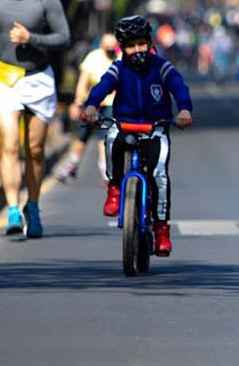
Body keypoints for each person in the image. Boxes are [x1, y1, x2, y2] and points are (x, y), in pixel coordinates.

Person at [0, 0, 71, 237]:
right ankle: (13, 209)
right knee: (9, 143)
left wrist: (32, 38)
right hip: (4, 78)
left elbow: (64, 37)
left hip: (38, 79)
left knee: (35, 149)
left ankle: (33, 205)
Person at [82, 15, 193, 257]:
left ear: (149, 42)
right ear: (122, 47)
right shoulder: (118, 68)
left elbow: (179, 87)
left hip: (156, 129)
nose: (136, 50)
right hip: (125, 127)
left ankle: (162, 230)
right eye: (130, 45)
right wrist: (91, 106)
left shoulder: (162, 67)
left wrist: (184, 110)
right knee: (110, 136)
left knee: (159, 176)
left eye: (141, 44)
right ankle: (114, 188)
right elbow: (102, 86)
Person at [54, 33, 119, 181]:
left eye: (112, 47)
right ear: (101, 45)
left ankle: (104, 167)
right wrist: (77, 102)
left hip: (110, 102)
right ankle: (72, 164)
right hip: (91, 103)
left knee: (105, 135)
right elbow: (83, 81)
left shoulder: (119, 58)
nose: (110, 50)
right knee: (82, 134)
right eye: (107, 46)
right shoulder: (93, 57)